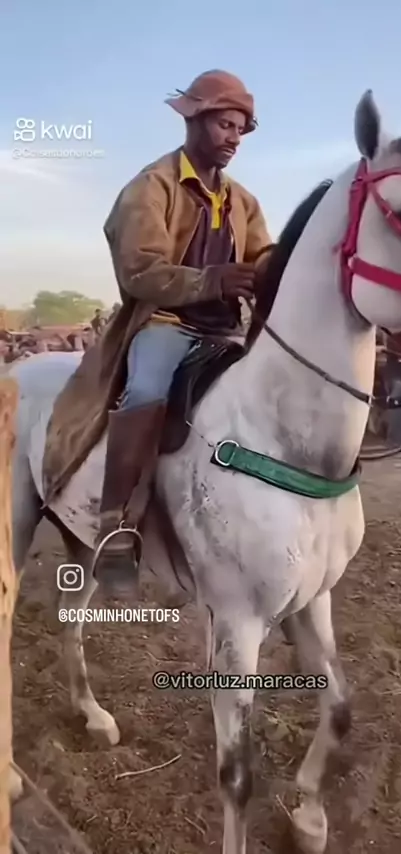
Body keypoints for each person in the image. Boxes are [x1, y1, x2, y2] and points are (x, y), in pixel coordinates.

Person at [42, 69, 273, 590]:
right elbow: (139, 271)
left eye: (241, 129)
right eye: (226, 125)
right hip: (166, 323)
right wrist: (213, 279)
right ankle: (116, 526)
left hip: (225, 331)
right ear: (194, 121)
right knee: (147, 388)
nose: (235, 138)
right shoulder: (150, 187)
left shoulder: (244, 202)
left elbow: (262, 257)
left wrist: (278, 267)